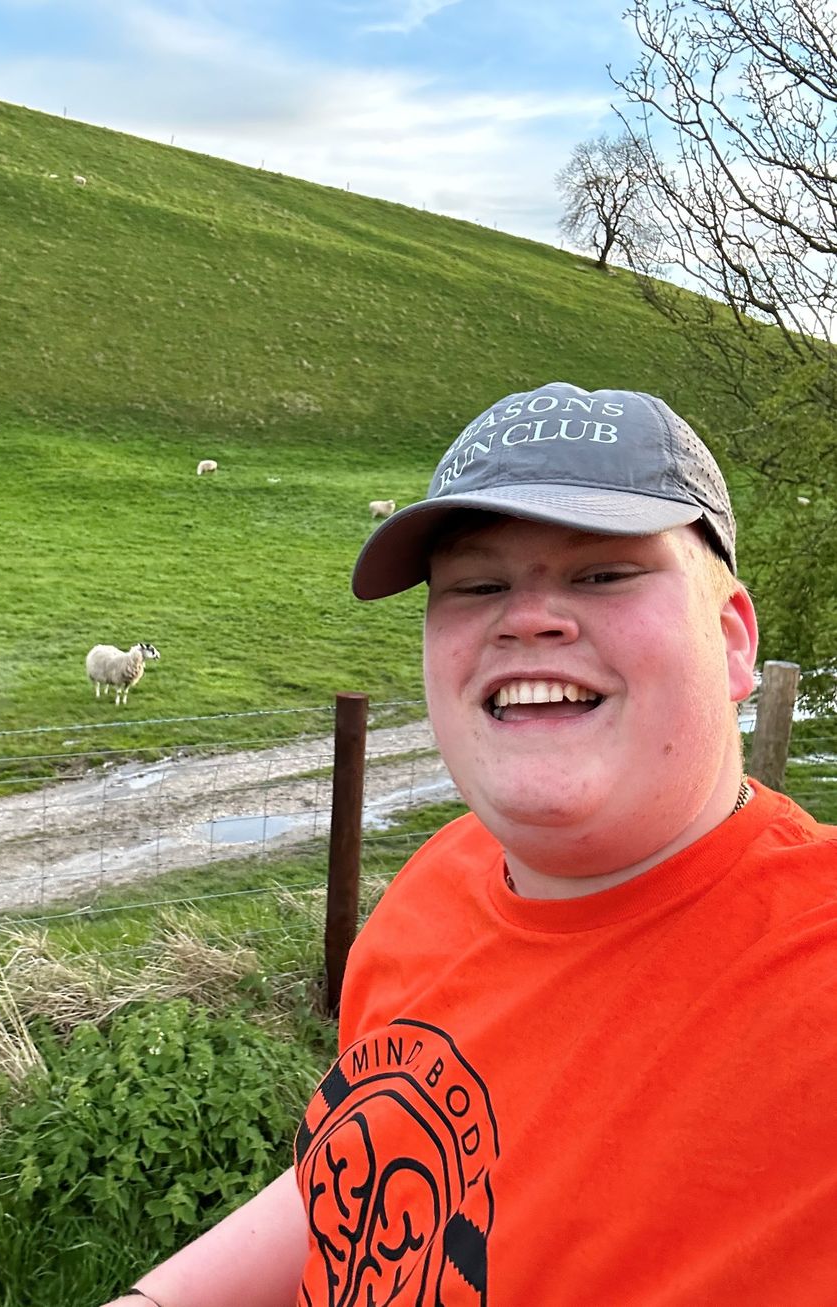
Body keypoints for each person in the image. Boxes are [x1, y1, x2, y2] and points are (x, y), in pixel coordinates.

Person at [103, 381, 837, 1307]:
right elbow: (352, 1177)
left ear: (731, 640)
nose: (528, 617)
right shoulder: (433, 887)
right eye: (478, 586)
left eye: (603, 573)